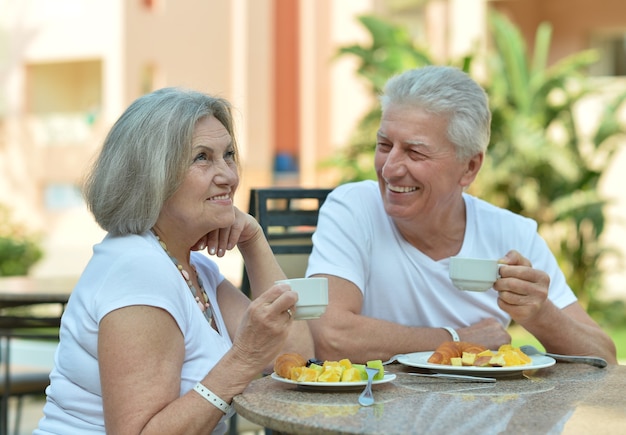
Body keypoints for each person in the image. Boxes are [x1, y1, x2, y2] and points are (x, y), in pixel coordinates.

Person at [35, 88, 314, 435]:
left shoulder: (192, 269)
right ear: (153, 176)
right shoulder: (138, 270)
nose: (227, 174)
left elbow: (297, 361)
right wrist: (242, 359)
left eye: (228, 155)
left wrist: (254, 241)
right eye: (202, 158)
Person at [306, 65, 617, 365]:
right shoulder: (353, 207)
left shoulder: (512, 234)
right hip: (377, 413)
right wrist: (457, 339)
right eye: (385, 145)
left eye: (415, 152)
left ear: (469, 167)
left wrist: (539, 313)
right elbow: (332, 338)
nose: (390, 169)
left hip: (485, 415)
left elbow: (603, 358)